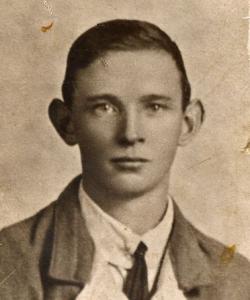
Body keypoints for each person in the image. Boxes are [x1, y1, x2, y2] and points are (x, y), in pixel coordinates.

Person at [0, 19, 249, 300]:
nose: (131, 133)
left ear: (188, 123)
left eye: (154, 107)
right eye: (104, 107)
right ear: (66, 122)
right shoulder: (8, 267)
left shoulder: (238, 282)